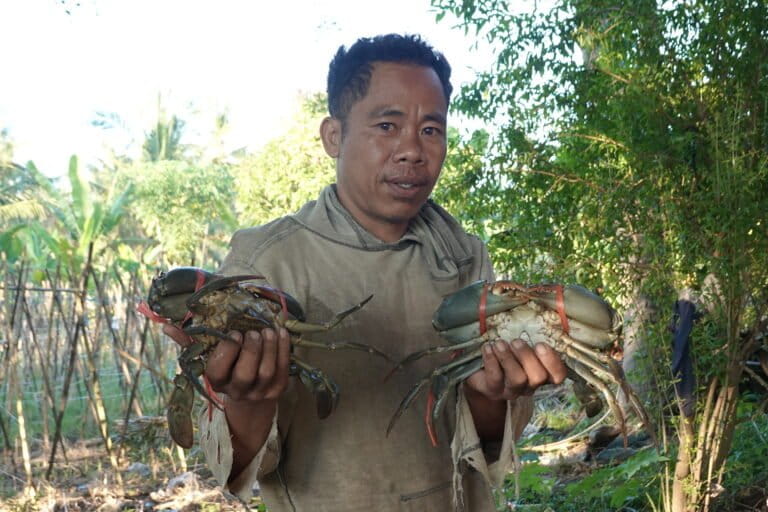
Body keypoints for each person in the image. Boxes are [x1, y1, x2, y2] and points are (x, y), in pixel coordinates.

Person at [165, 33, 567, 511]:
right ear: (333, 136)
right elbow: (233, 470)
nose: (412, 150)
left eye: (431, 130)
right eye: (386, 125)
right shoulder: (266, 265)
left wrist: (492, 395)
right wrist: (248, 399)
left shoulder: (463, 257)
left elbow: (487, 440)